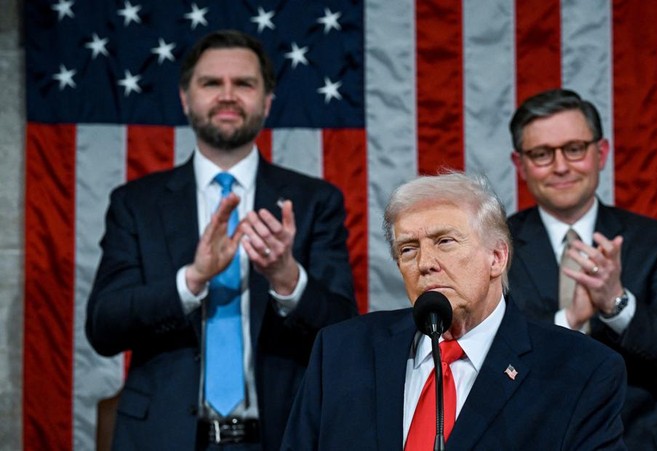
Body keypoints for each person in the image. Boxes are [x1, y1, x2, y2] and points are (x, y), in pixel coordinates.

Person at [85, 30, 358, 450]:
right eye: (212, 83)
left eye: (244, 84)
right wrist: (190, 280)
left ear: (266, 102)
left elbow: (344, 330)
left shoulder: (314, 201)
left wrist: (287, 279)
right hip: (163, 437)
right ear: (185, 99)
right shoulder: (136, 204)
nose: (228, 95)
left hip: (282, 435)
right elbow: (103, 327)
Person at [280, 171, 627, 450]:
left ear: (497, 257)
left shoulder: (580, 370)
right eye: (408, 249)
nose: (425, 263)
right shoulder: (341, 351)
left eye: (445, 241)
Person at [507, 88, 657, 450]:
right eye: (542, 154)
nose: (561, 166)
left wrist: (616, 303)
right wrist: (569, 319)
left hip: (644, 440)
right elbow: (490, 357)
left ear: (601, 153)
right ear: (520, 165)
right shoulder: (497, 247)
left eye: (574, 149)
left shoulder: (656, 241)